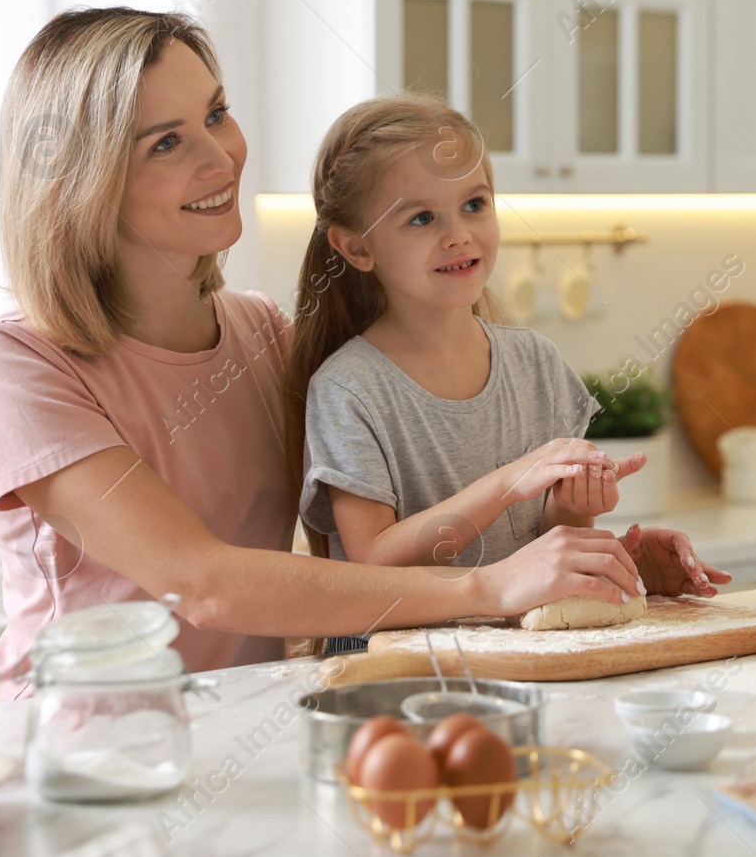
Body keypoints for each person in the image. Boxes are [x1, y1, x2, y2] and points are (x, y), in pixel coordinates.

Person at [0, 8, 643, 682]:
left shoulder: (265, 335)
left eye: (217, 114)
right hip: (79, 753)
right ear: (81, 182)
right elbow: (203, 583)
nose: (221, 156)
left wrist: (584, 562)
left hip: (251, 729)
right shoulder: (9, 365)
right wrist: (493, 586)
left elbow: (350, 564)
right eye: (166, 141)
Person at [283, 96, 729, 652]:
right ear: (356, 246)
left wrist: (581, 514)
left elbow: (541, 548)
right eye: (422, 218)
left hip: (513, 661)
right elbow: (373, 559)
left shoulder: (536, 364)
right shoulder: (349, 389)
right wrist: (510, 481)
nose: (458, 234)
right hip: (390, 676)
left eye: (474, 204)